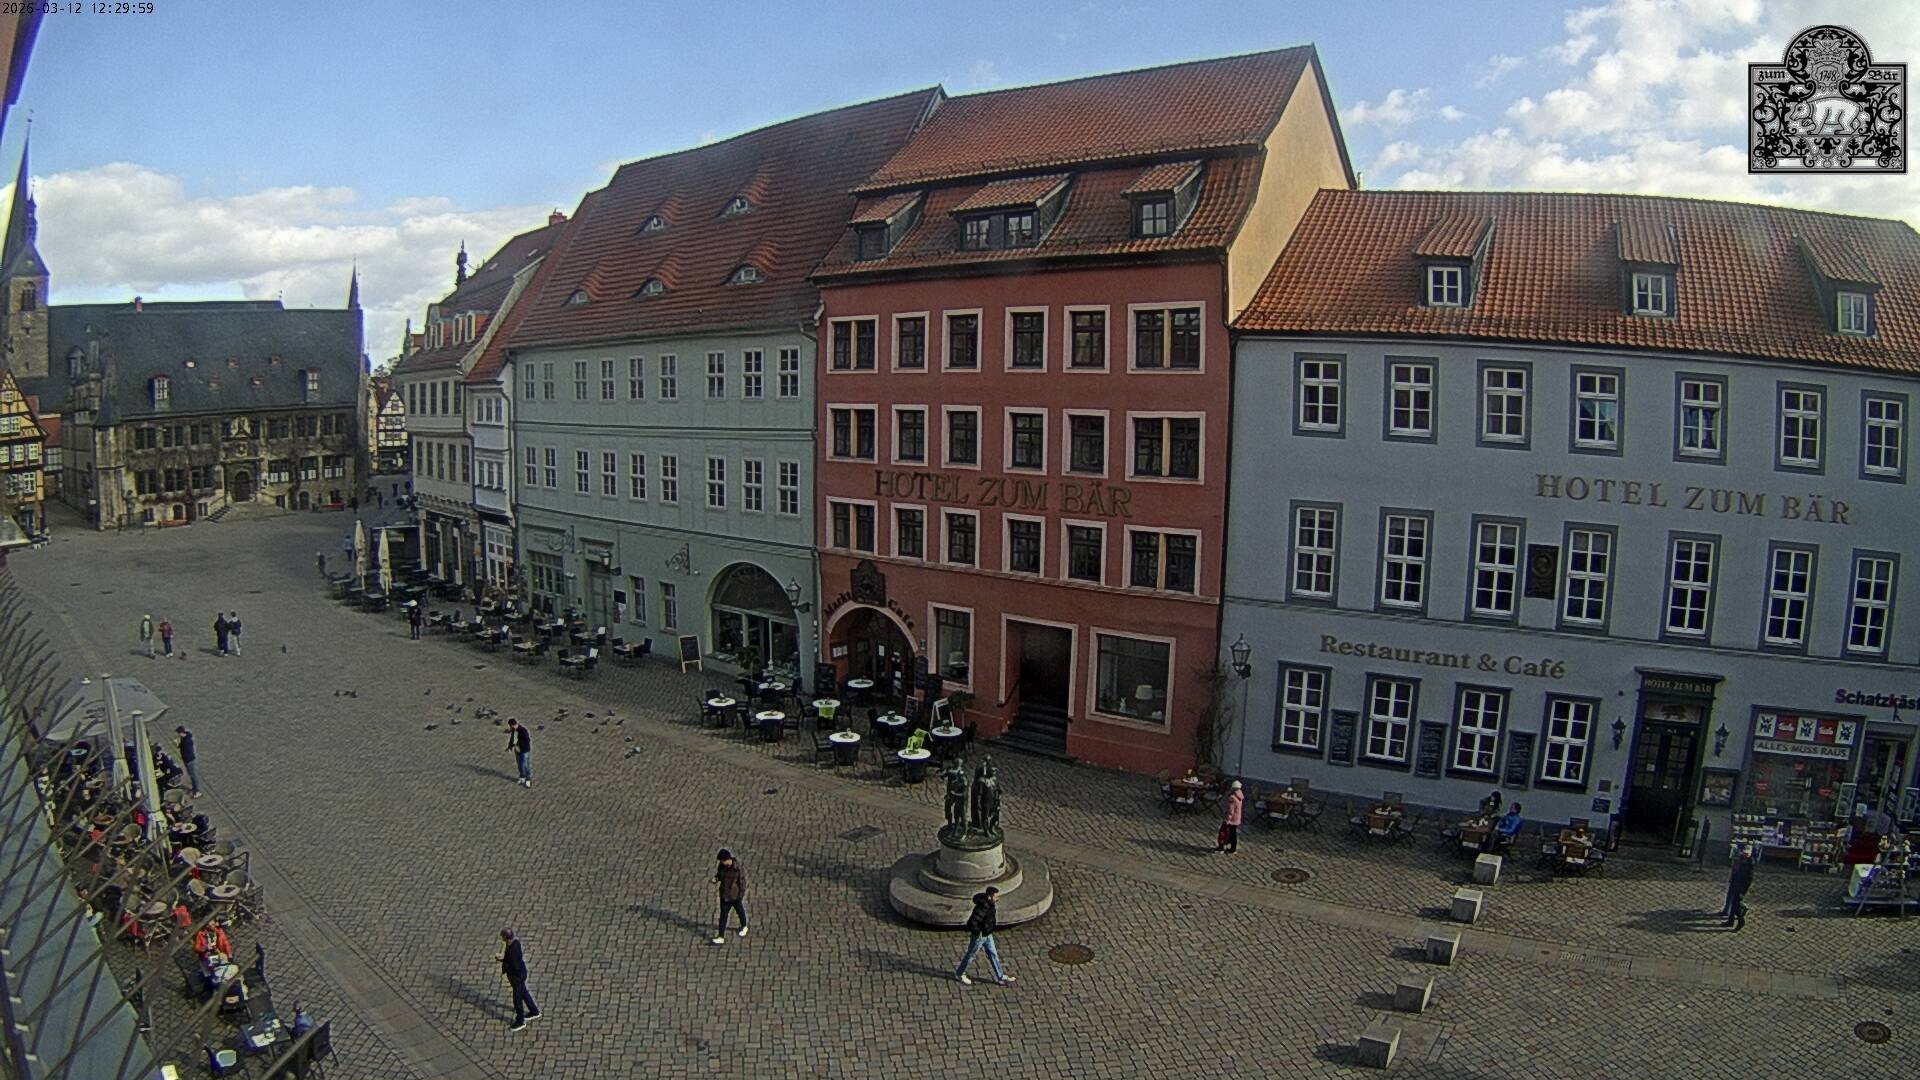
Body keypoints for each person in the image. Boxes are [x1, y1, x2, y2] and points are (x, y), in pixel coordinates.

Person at [955, 886, 1014, 986]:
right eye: (996, 897)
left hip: (987, 934)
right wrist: (978, 933)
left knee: (993, 954)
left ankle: (1000, 977)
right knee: (970, 955)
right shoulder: (982, 908)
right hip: (980, 936)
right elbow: (972, 923)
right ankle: (960, 973)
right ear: (989, 897)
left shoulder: (990, 905)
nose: (998, 899)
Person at [498, 929, 540, 1031]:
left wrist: (504, 962)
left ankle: (520, 1021)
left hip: (517, 978)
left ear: (506, 938)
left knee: (517, 999)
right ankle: (534, 1011)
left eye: (502, 937)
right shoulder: (515, 943)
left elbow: (514, 965)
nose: (501, 938)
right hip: (520, 975)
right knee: (524, 993)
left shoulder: (513, 950)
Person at [710, 849, 749, 945]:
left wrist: (740, 896)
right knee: (723, 916)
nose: (722, 863)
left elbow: (742, 883)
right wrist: (716, 878)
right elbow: (719, 875)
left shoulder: (737, 868)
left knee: (740, 911)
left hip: (735, 896)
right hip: (724, 895)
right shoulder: (721, 866)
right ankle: (721, 936)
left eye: (723, 861)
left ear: (728, 859)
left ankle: (744, 926)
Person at [1723, 844, 1756, 930]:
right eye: (1744, 853)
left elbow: (1749, 879)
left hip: (1741, 887)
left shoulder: (1749, 863)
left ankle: (1741, 920)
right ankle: (1731, 921)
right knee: (1734, 904)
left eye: (1747, 854)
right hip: (1736, 883)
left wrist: (1744, 890)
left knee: (1736, 904)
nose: (1745, 855)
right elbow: (1735, 870)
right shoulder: (1741, 860)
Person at [1215, 780, 1243, 853]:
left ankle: (1221, 847)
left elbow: (1230, 810)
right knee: (1233, 834)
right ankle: (1233, 849)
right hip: (1237, 819)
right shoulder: (1240, 796)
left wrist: (1227, 820)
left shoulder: (1232, 798)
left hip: (1231, 819)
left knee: (1223, 832)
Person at [176, 726, 201, 797]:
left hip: (189, 760)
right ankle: (194, 789)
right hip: (187, 760)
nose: (178, 735)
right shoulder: (184, 738)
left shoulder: (187, 741)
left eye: (178, 733)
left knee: (193, 776)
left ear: (181, 733)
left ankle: (197, 791)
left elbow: (186, 750)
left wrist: (180, 746)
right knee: (191, 775)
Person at [505, 719, 531, 787]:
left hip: (524, 751)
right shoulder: (514, 730)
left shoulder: (523, 730)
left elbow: (527, 740)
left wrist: (518, 743)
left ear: (513, 725)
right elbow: (512, 739)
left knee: (525, 765)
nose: (510, 728)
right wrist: (509, 747)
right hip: (517, 750)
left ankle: (528, 780)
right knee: (519, 765)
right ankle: (522, 777)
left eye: (510, 726)